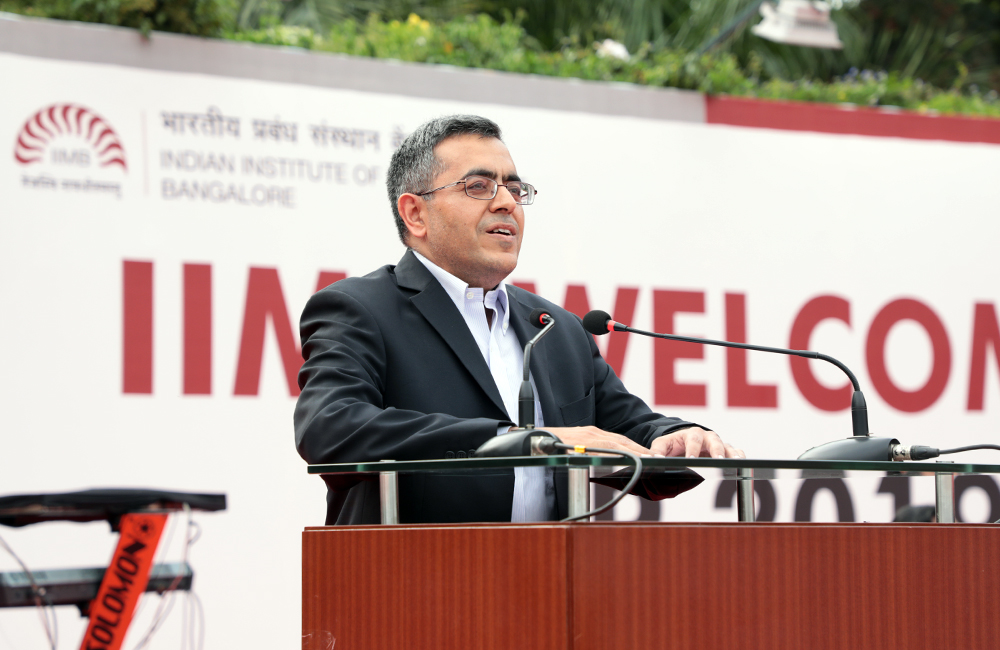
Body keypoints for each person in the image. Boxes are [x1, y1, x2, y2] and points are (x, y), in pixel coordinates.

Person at [294, 115, 744, 525]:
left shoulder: (556, 328)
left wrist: (677, 436)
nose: (507, 203)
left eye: (514, 188)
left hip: (553, 587)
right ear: (415, 213)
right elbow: (333, 427)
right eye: (478, 186)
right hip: (418, 589)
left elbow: (625, 427)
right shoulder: (360, 308)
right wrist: (527, 440)